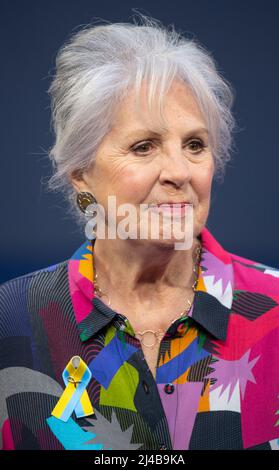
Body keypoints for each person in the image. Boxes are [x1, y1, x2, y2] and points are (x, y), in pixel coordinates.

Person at [1, 14, 279, 451]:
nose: (179, 172)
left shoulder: (274, 309)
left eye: (195, 144)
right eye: (144, 146)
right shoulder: (11, 320)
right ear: (81, 174)